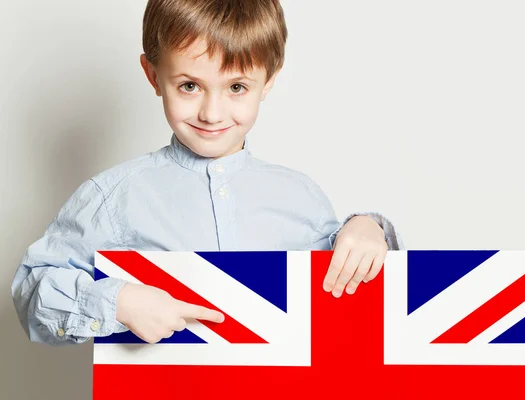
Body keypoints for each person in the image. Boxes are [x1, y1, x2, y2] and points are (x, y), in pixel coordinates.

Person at [11, 0, 405, 346]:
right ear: (153, 76)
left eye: (236, 87)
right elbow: (31, 292)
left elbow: (351, 287)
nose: (211, 114)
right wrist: (117, 302)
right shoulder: (112, 198)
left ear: (268, 79)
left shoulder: (301, 198)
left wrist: (370, 229)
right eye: (189, 86)